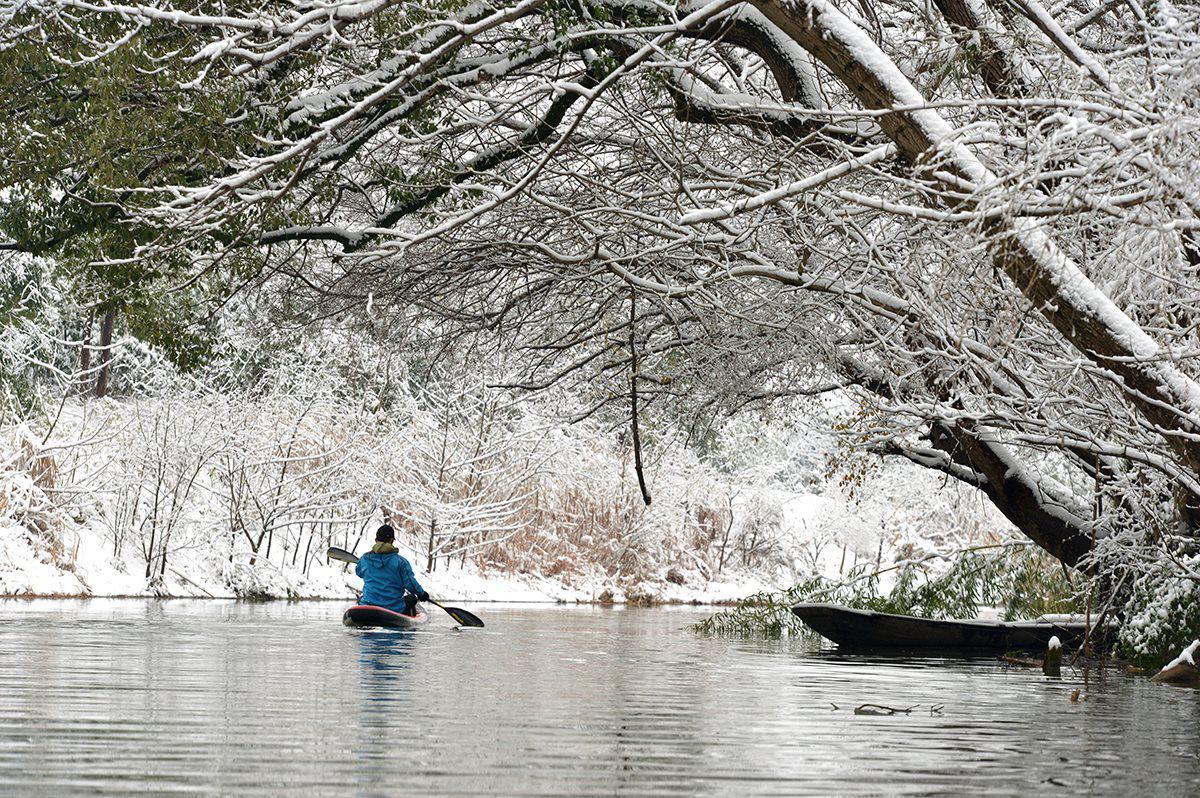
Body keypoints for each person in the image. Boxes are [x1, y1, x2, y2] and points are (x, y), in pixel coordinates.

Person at [355, 524, 430, 616]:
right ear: (391, 540)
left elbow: (359, 573)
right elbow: (410, 584)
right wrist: (422, 594)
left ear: (376, 540)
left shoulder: (364, 559)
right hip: (394, 607)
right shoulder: (401, 562)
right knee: (412, 598)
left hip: (369, 605)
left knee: (361, 598)